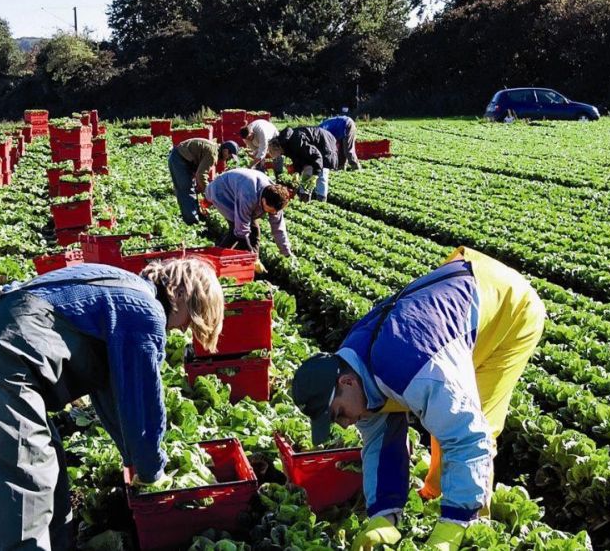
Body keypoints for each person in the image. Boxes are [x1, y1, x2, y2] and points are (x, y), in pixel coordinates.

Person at [0, 260, 225, 551]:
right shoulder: (147, 312)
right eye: (189, 322)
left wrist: (133, 461)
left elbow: (111, 396)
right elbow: (142, 403)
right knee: (24, 487)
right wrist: (152, 473)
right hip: (2, 356)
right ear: (183, 295)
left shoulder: (124, 289)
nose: (181, 330)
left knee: (45, 466)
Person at [290, 246, 546, 551]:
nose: (345, 424)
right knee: (444, 414)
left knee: (476, 423)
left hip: (509, 308)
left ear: (346, 382)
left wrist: (452, 527)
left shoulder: (412, 367)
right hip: (453, 301)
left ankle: (471, 522)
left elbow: (468, 436)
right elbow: (380, 443)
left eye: (338, 413)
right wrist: (383, 516)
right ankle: (441, 496)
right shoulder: (354, 372)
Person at [204, 168, 293, 262]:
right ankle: (213, 260)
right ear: (263, 201)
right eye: (270, 210)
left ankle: (249, 262)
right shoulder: (249, 195)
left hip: (238, 188)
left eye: (275, 211)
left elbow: (278, 229)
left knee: (254, 231)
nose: (272, 213)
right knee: (236, 231)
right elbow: (241, 229)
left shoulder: (276, 200)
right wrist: (252, 256)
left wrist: (286, 253)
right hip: (221, 192)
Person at [169, 138, 240, 225]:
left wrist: (202, 187)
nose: (228, 159)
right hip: (179, 159)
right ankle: (192, 222)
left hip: (184, 159)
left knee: (193, 189)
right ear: (225, 151)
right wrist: (209, 193)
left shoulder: (214, 150)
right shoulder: (213, 153)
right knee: (186, 190)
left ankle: (197, 214)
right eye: (230, 156)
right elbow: (201, 175)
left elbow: (200, 173)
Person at [268, 127, 338, 202]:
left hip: (324, 143)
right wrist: (297, 172)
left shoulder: (296, 141)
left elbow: (317, 156)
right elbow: (297, 158)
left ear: (278, 148)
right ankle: (304, 200)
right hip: (313, 150)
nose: (279, 156)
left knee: (321, 175)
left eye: (276, 154)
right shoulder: (286, 145)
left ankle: (321, 201)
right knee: (307, 174)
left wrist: (315, 174)